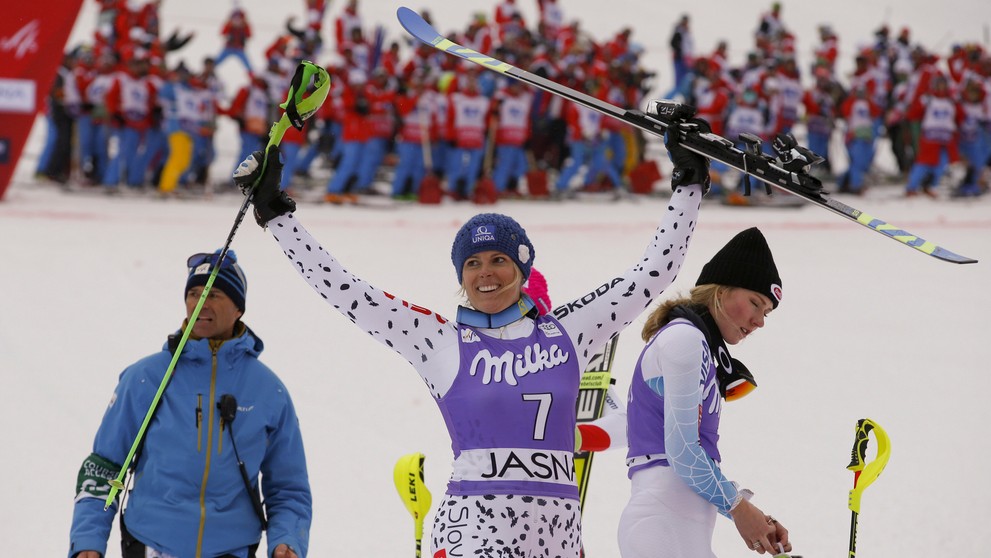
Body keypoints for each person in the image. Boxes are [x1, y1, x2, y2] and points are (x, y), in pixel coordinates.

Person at [233, 105, 712, 558]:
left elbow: (651, 275)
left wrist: (688, 184)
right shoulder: (439, 340)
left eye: (500, 260)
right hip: (472, 529)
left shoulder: (567, 332)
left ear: (522, 269)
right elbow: (345, 290)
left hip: (558, 534)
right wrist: (277, 215)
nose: (486, 273)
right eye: (473, 264)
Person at [68, 250, 312, 558]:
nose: (201, 303)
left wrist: (287, 540)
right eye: (194, 293)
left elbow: (289, 488)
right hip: (150, 543)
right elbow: (103, 468)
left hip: (232, 549)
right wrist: (88, 540)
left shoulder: (269, 390)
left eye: (214, 293)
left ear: (239, 308)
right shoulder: (146, 377)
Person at [615, 227, 793, 558]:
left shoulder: (698, 348)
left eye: (766, 312)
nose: (759, 322)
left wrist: (750, 514)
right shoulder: (685, 339)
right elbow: (681, 452)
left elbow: (685, 455)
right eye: (755, 303)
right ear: (721, 291)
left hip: (675, 525)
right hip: (661, 524)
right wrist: (739, 509)